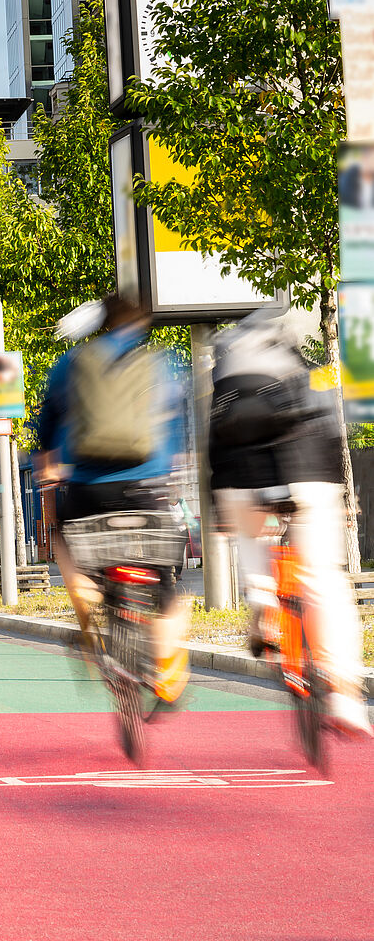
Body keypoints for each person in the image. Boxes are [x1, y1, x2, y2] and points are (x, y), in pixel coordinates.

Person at [208, 312, 371, 737]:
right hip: (307, 470)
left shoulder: (223, 373)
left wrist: (219, 503)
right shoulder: (309, 371)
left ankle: (262, 600)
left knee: (246, 529)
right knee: (323, 580)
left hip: (242, 475)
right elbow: (330, 432)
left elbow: (214, 444)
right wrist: (337, 495)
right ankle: (344, 696)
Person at [34, 291, 190, 705]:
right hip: (147, 488)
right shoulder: (160, 361)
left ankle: (88, 610)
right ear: (141, 324)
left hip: (87, 489)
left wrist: (46, 461)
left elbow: (47, 424)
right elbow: (175, 418)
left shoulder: (71, 362)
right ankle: (170, 668)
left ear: (101, 323)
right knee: (167, 584)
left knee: (64, 542)